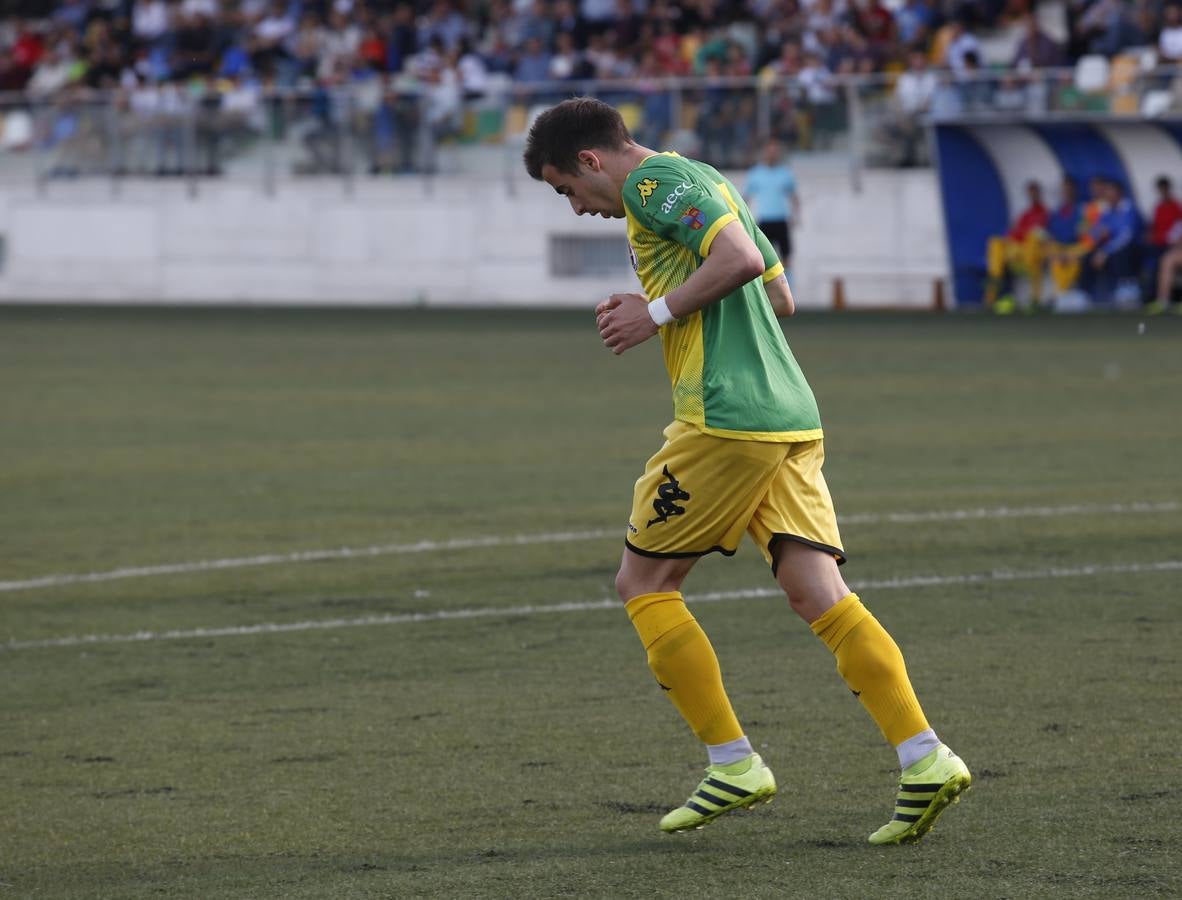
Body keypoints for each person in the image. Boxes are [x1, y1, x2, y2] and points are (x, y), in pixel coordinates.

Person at [523, 97, 970, 844]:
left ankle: (733, 763)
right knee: (816, 590)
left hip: (726, 416)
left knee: (644, 584)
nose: (575, 207)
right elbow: (779, 293)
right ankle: (925, 757)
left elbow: (740, 263)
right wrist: (680, 298)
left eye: (566, 188)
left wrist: (655, 314)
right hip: (789, 413)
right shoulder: (707, 180)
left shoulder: (652, 184)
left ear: (591, 161)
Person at [984, 180, 1049, 313]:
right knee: (995, 243)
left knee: (1032, 243)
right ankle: (991, 297)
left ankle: (1035, 300)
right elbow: (1013, 233)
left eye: (1034, 192)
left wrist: (1021, 235)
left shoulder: (1044, 212)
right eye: (1030, 192)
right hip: (1016, 251)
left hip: (1031, 253)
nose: (1032, 195)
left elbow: (1039, 233)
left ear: (1039, 193)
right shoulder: (1025, 214)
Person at [743, 138, 800, 277]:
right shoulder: (755, 173)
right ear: (764, 153)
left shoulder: (785, 173)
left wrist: (796, 216)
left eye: (775, 152)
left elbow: (794, 197)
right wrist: (745, 220)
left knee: (786, 257)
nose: (772, 154)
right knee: (764, 259)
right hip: (764, 220)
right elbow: (746, 198)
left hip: (781, 220)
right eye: (770, 151)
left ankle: (788, 289)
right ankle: (768, 292)